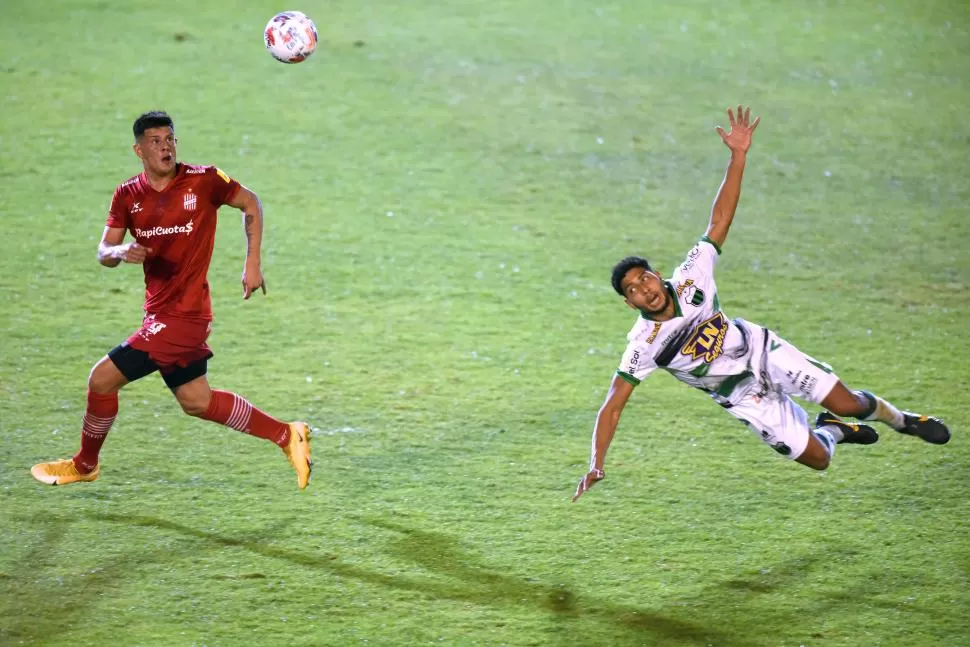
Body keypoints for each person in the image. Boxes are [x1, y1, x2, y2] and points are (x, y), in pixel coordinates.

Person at [572, 105, 950, 502]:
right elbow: (612, 406)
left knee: (849, 402)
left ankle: (903, 421)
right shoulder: (642, 346)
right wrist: (597, 462)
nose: (643, 288)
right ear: (630, 304)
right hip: (742, 396)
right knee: (819, 459)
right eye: (631, 289)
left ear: (655, 274)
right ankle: (833, 429)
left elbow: (719, 220)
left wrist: (738, 157)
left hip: (761, 351)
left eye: (643, 277)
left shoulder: (690, 276)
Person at [30, 111, 312, 490]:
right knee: (197, 400)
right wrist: (119, 252)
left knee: (101, 381)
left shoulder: (204, 180)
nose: (165, 146)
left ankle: (84, 465)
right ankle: (286, 434)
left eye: (170, 139)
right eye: (155, 141)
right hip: (158, 314)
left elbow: (251, 203)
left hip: (186, 316)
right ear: (139, 150)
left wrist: (253, 263)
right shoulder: (127, 195)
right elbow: (103, 251)